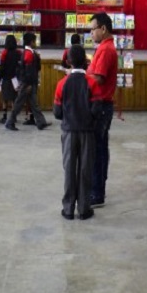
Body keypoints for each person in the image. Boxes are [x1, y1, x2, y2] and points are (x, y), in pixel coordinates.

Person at [53, 44, 99, 221]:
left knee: (69, 169)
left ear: (68, 61)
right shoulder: (92, 83)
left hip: (69, 131)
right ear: (86, 62)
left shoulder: (62, 84)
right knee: (85, 170)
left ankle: (68, 209)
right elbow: (96, 110)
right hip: (87, 132)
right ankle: (84, 209)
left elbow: (57, 113)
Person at [87, 12, 119, 207]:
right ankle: (98, 188)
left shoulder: (106, 50)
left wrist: (79, 75)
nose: (91, 33)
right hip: (101, 104)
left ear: (103, 28)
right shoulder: (104, 48)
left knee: (97, 150)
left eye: (93, 29)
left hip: (101, 105)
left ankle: (97, 192)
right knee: (100, 148)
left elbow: (98, 78)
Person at [5, 32, 49, 131]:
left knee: (34, 103)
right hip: (27, 83)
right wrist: (29, 84)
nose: (36, 43)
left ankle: (41, 122)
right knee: (19, 103)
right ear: (31, 42)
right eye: (35, 41)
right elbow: (29, 71)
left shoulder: (30, 52)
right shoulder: (28, 54)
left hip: (29, 82)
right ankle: (9, 122)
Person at [0, 34, 21, 124]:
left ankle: (4, 117)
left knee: (5, 98)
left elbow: (2, 66)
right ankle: (13, 117)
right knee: (14, 98)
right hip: (15, 79)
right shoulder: (19, 52)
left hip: (6, 78)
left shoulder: (4, 52)